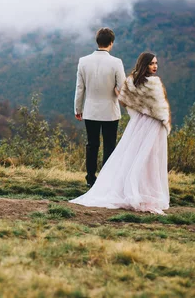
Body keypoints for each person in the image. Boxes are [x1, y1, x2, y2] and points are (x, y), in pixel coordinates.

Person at [70, 52, 171, 214]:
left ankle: (135, 188)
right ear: (144, 64)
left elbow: (124, 97)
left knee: (135, 155)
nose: (155, 66)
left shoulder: (132, 81)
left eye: (156, 63)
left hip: (138, 123)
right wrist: (165, 121)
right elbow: (159, 108)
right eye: (152, 63)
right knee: (148, 157)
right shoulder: (155, 83)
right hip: (152, 124)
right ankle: (145, 191)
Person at [74, 27, 126, 187]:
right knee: (109, 145)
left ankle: (90, 178)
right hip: (110, 111)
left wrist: (78, 109)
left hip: (90, 110)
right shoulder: (116, 62)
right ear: (111, 43)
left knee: (92, 144)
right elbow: (122, 87)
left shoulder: (83, 61)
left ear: (97, 41)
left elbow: (80, 88)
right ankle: (106, 179)